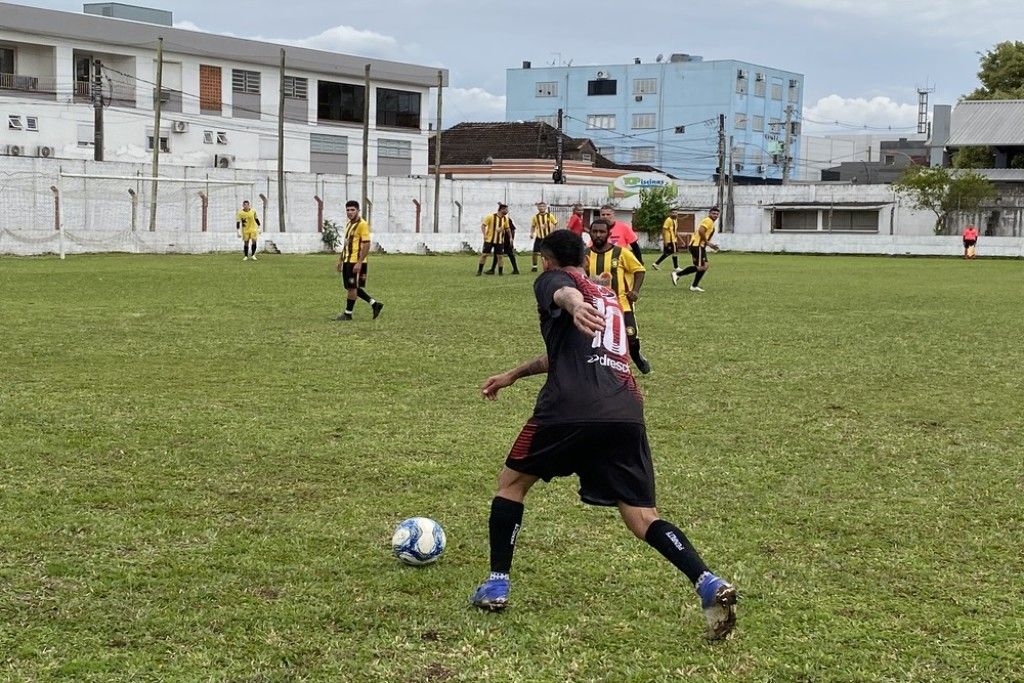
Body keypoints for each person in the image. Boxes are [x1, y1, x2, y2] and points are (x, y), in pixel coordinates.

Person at [469, 230, 737, 641]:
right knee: (642, 515)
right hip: (625, 410)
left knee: (511, 485)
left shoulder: (554, 281)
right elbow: (570, 351)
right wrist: (514, 374)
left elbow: (561, 293)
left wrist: (572, 304)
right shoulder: (608, 296)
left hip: (568, 407)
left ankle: (497, 582)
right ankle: (706, 581)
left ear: (546, 260)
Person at [585, 218, 651, 374]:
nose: (598, 235)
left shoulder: (621, 253)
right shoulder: (584, 255)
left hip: (621, 304)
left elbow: (640, 270)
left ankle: (636, 357)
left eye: (602, 232)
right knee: (591, 340)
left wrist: (635, 291)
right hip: (594, 305)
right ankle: (597, 367)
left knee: (631, 338)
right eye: (595, 232)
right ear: (590, 234)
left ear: (608, 233)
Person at [335, 200, 384, 321]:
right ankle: (374, 304)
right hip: (348, 260)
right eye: (348, 210)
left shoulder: (362, 224)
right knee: (350, 287)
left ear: (358, 210)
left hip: (355, 261)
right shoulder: (349, 224)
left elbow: (367, 245)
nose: (350, 212)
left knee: (352, 287)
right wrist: (341, 260)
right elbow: (346, 244)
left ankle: (348, 314)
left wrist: (359, 262)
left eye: (352, 210)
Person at [672, 207, 720, 292]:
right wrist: (708, 243)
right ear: (709, 213)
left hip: (698, 246)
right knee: (702, 267)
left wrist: (708, 245)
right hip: (697, 246)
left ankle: (694, 286)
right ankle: (677, 274)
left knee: (703, 266)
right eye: (713, 213)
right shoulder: (708, 221)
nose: (715, 215)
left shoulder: (710, 222)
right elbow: (701, 231)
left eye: (717, 214)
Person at [478, 203, 511, 276]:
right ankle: (479, 271)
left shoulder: (505, 219)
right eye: (506, 209)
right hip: (489, 240)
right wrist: (484, 235)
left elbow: (507, 229)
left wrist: (510, 238)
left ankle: (500, 273)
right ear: (501, 209)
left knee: (500, 256)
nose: (507, 211)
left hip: (499, 241)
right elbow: (483, 225)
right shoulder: (491, 216)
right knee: (484, 255)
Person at [530, 202, 558, 272]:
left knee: (546, 253)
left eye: (543, 206)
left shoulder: (549, 216)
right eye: (540, 206)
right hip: (539, 237)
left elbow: (555, 223)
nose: (541, 208)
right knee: (535, 252)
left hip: (547, 238)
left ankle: (548, 266)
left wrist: (552, 230)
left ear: (545, 207)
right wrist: (532, 233)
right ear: (538, 208)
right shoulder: (535, 217)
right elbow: (533, 226)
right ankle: (534, 266)